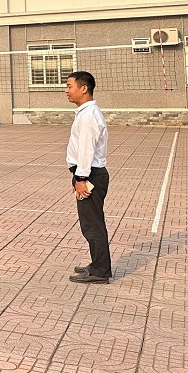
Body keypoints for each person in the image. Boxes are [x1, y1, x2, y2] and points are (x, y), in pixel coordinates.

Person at [65, 71, 111, 284]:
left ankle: (100, 271)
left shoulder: (89, 115)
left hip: (91, 174)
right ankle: (96, 264)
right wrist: (76, 176)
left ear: (84, 88)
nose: (66, 91)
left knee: (93, 225)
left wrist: (81, 178)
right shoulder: (85, 113)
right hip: (85, 173)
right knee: (90, 223)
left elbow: (86, 150)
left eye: (69, 86)